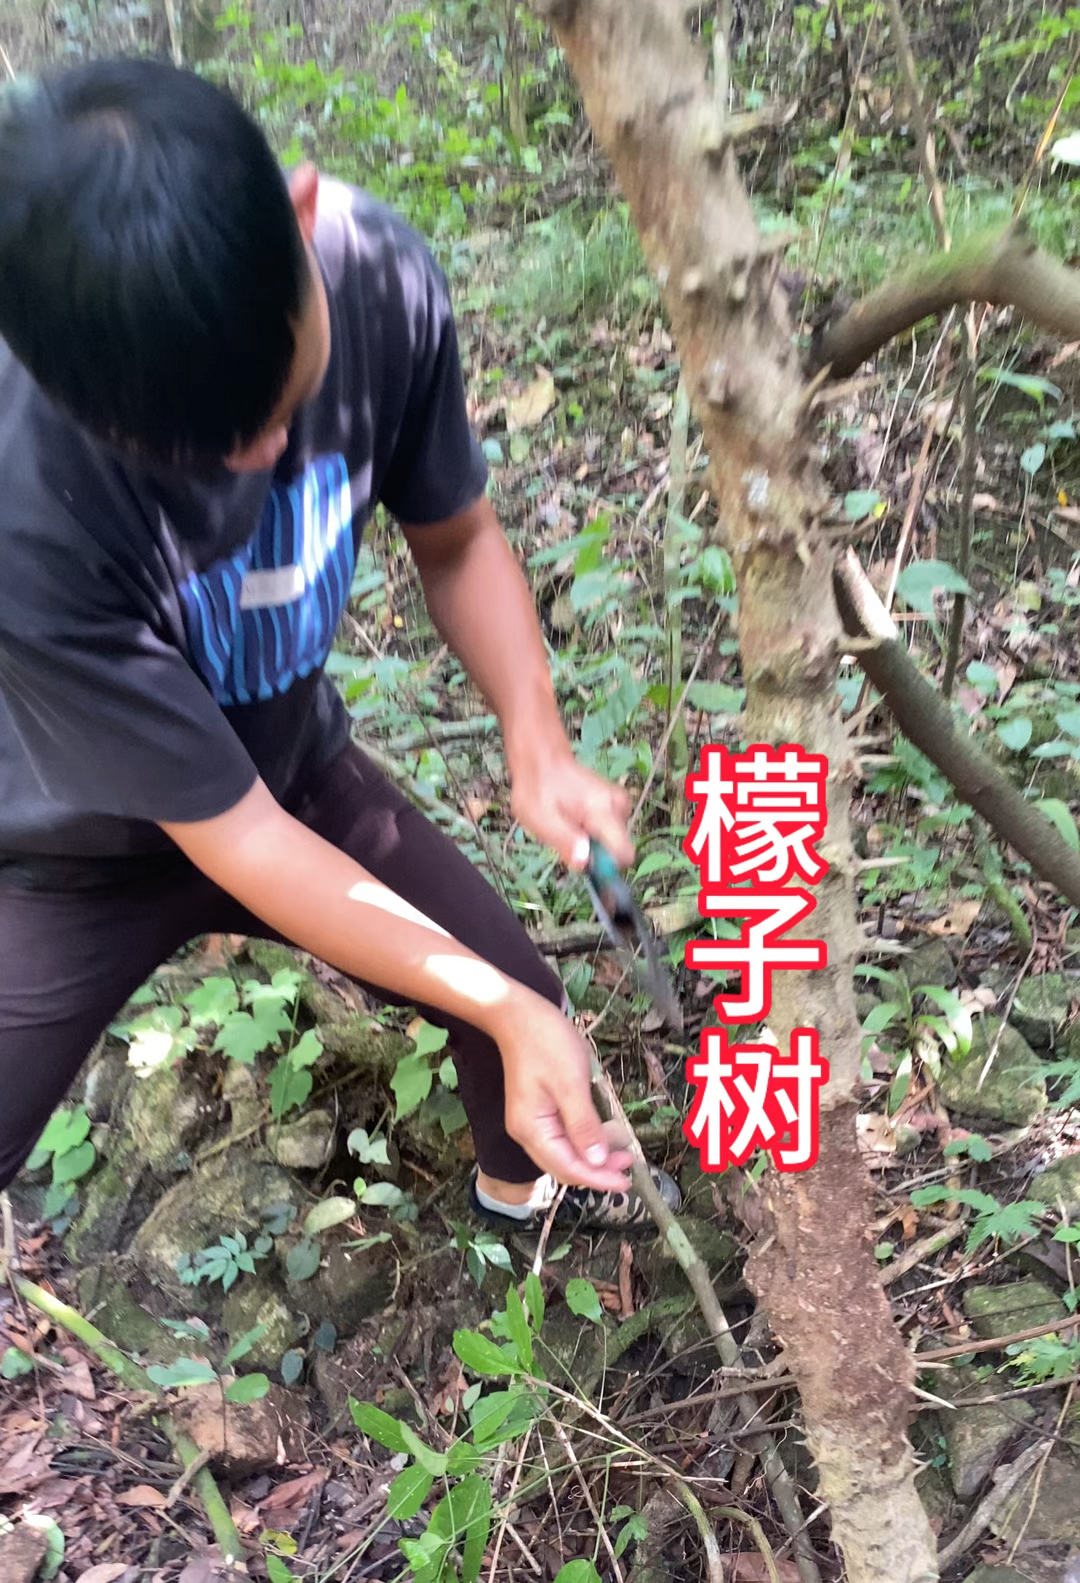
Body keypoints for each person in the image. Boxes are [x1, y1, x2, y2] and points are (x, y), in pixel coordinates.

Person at [0, 59, 680, 1229]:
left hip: (289, 766)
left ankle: (521, 1211)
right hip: (64, 849)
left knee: (514, 992)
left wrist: (538, 740)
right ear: (71, 397)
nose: (260, 458)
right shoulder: (23, 490)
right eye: (200, 447)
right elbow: (242, 845)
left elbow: (455, 538)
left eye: (275, 406)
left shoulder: (377, 281)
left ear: (303, 217)